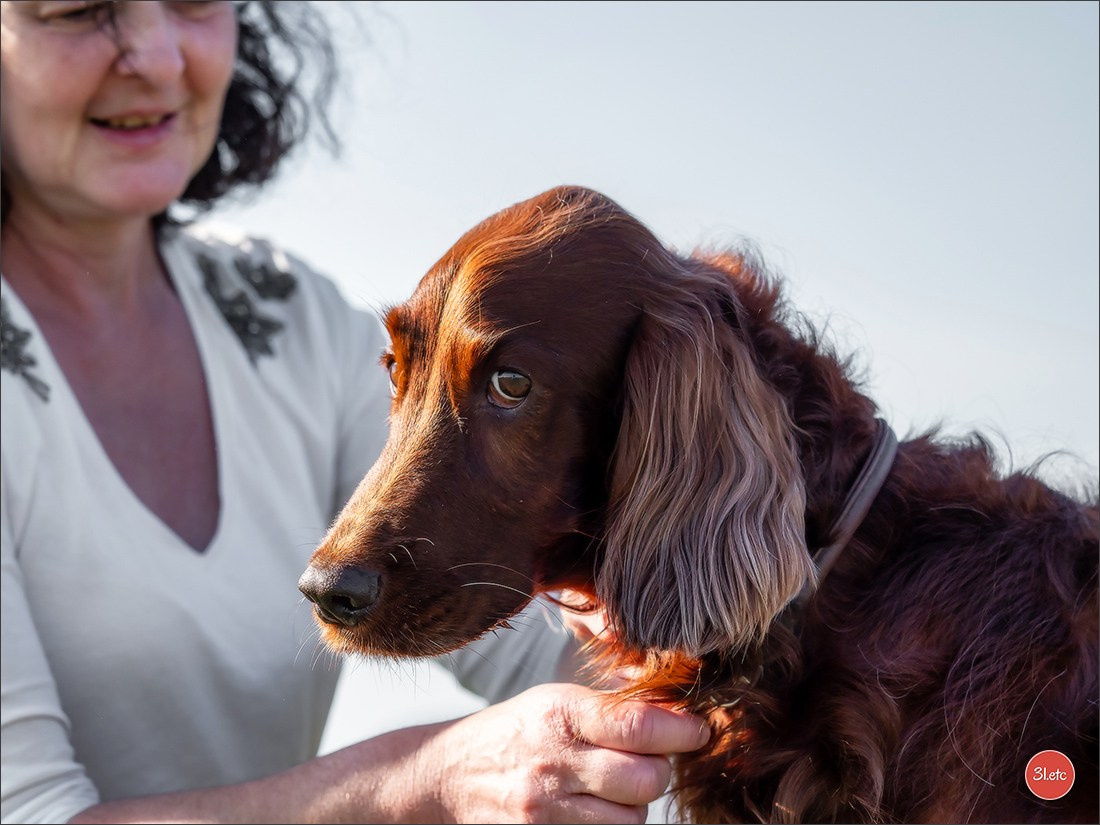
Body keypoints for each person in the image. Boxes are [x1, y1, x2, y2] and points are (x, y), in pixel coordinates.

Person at [0, 2, 709, 823]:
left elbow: (554, 657)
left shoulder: (291, 318)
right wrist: (428, 783)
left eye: (193, 1)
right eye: (79, 9)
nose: (157, 58)